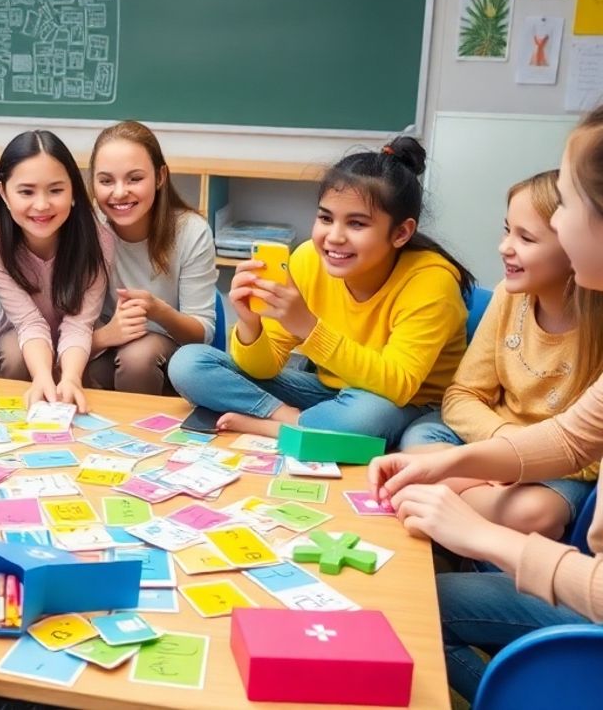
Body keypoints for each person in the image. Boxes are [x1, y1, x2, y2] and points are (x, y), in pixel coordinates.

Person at [370, 107, 603, 703]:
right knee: (406, 594)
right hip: (547, 533)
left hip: (589, 604)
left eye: (570, 202)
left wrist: (483, 537)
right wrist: (446, 465)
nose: (506, 245)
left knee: (410, 613)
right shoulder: (509, 299)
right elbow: (573, 438)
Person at [169, 136, 473, 444]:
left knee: (368, 413)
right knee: (189, 363)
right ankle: (288, 418)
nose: (334, 237)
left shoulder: (432, 280)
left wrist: (309, 328)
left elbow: (399, 384)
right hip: (329, 392)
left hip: (405, 403)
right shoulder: (307, 260)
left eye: (357, 224)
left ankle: (281, 425)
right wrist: (250, 325)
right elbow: (265, 367)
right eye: (325, 218)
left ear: (401, 233)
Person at [400, 170, 603, 539]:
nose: (504, 247)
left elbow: (589, 451)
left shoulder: (596, 329)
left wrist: (515, 464)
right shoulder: (509, 297)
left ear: (576, 246)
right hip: (488, 443)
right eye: (507, 230)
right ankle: (449, 509)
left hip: (558, 470)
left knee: (534, 514)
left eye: (525, 237)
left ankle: (442, 508)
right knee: (416, 445)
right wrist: (503, 449)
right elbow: (462, 396)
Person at [0, 130, 111, 414]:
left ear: (73, 190)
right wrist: (42, 376)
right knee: (14, 356)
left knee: (85, 389)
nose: (41, 205)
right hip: (19, 338)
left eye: (56, 190)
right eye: (26, 191)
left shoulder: (100, 240)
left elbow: (80, 322)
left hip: (78, 339)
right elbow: (28, 322)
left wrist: (71, 377)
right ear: (4, 193)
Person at [86, 120, 217, 394]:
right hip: (108, 344)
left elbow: (203, 333)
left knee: (138, 356)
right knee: (74, 366)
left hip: (170, 356)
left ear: (160, 177)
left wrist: (158, 310)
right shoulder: (87, 228)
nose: (120, 192)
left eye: (135, 178)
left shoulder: (191, 231)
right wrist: (105, 336)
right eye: (106, 180)